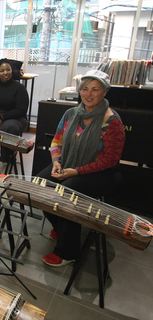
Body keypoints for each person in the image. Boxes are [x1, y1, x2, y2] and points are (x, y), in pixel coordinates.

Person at [37, 70, 125, 267]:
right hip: (68, 163)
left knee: (67, 191)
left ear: (105, 92)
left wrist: (76, 171)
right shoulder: (71, 113)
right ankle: (60, 226)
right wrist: (57, 161)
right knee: (40, 184)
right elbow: (56, 141)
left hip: (103, 173)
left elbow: (110, 160)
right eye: (85, 89)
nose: (89, 94)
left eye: (95, 89)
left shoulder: (112, 121)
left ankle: (67, 252)